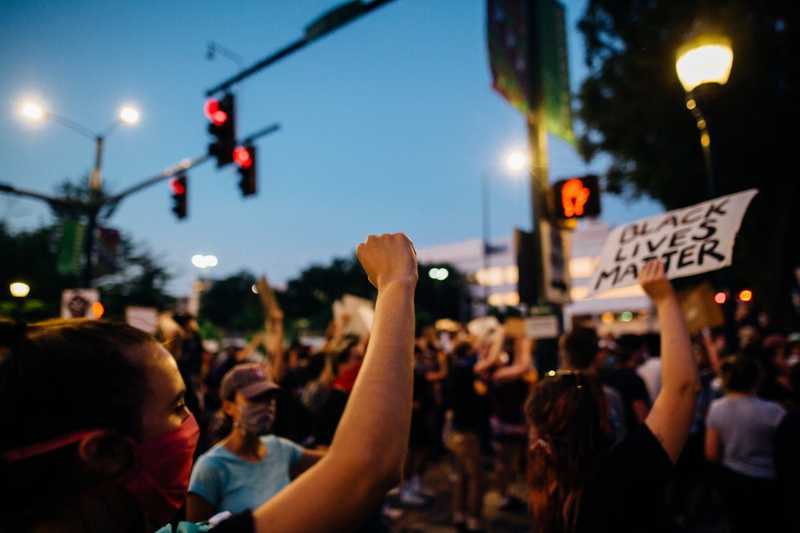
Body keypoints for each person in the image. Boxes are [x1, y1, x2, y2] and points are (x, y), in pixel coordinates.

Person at [0, 232, 418, 533]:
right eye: (177, 407)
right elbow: (366, 468)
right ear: (105, 452)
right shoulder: (213, 471)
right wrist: (396, 284)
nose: (190, 425)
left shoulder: (279, 451)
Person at [526, 260, 698, 533]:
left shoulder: (546, 492)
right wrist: (665, 299)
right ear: (603, 414)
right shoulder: (623, 472)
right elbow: (683, 388)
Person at [186, 364, 325, 521]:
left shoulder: (281, 449)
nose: (266, 406)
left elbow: (335, 462)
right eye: (255, 399)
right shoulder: (211, 467)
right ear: (228, 407)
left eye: (270, 398)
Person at [705, 354, 786, 533]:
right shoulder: (774, 410)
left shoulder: (717, 408)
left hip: (732, 478)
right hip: (767, 479)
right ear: (758, 378)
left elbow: (711, 453)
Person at [443, 341, 488, 531]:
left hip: (456, 429)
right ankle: (473, 517)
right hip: (469, 431)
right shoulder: (466, 371)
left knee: (459, 475)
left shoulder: (453, 370)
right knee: (475, 476)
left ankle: (458, 514)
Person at [559, 326, 627, 443]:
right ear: (596, 353)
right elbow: (618, 437)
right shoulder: (608, 395)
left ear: (565, 354)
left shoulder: (550, 394)